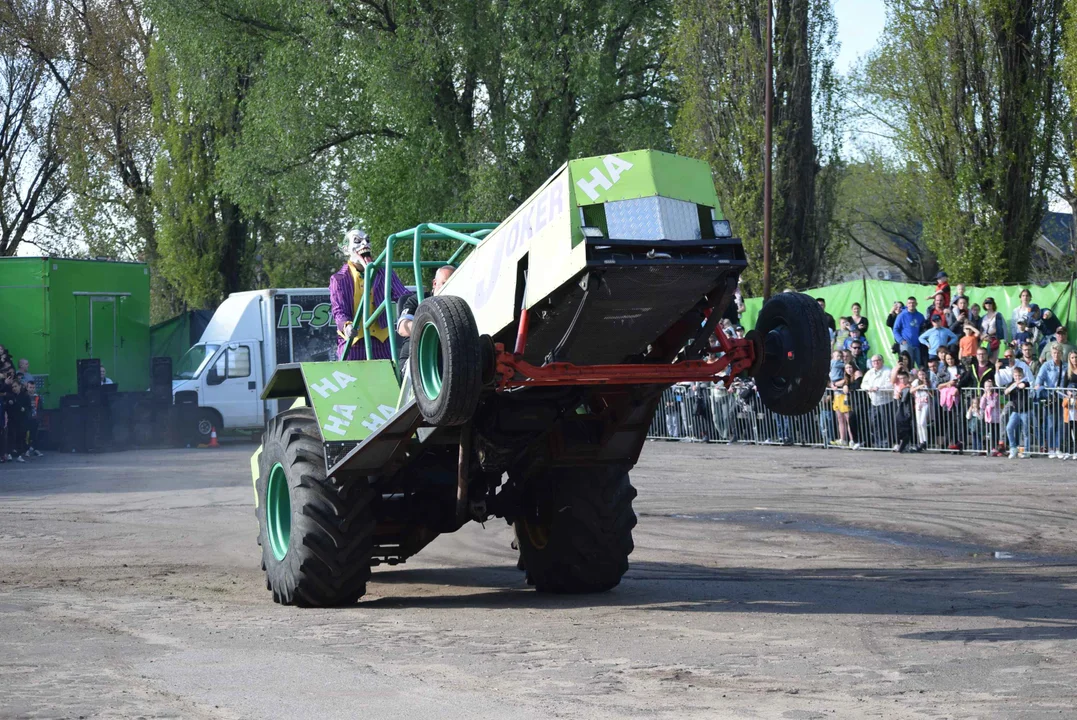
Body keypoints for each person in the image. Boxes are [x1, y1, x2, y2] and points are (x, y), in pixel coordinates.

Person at [331, 228, 408, 361]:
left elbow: (403, 296)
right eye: (357, 241)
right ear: (346, 249)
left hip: (382, 341)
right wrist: (347, 326)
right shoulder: (339, 278)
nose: (364, 244)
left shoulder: (384, 272)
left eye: (367, 240)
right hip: (354, 343)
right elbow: (338, 310)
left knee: (386, 377)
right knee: (353, 378)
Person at [396, 265, 455, 367]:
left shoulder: (459, 304)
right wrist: (434, 327)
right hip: (416, 356)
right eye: (444, 284)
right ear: (434, 283)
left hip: (450, 356)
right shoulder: (417, 299)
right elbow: (402, 328)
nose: (448, 288)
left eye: (453, 285)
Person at [1035, 344, 1066, 459]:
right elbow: (1039, 379)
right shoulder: (1046, 366)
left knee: (1061, 424)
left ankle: (1058, 448)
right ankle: (1051, 448)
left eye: (1058, 352)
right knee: (1051, 424)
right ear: (1051, 354)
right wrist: (1038, 386)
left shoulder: (1066, 366)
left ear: (1062, 353)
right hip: (1050, 398)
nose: (1056, 355)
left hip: (1063, 398)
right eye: (1054, 353)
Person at [861, 354, 894, 449]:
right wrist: (869, 388)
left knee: (886, 423)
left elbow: (891, 385)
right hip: (874, 402)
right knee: (875, 423)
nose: (876, 362)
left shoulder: (888, 371)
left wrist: (879, 388)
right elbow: (863, 384)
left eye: (878, 360)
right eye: (874, 361)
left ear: (882, 361)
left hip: (885, 402)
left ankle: (888, 443)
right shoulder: (870, 372)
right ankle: (879, 443)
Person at [1005, 366, 1031, 458]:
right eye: (1015, 376)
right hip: (1016, 410)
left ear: (1022, 375)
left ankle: (1027, 451)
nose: (1017, 378)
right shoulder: (1011, 384)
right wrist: (1013, 385)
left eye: (1019, 376)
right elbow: (1006, 392)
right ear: (1013, 376)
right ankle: (1013, 448)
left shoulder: (1025, 382)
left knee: (1026, 431)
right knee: (1009, 428)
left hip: (1025, 410)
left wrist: (1017, 383)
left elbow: (1022, 386)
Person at [892, 296, 926, 368]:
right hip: (906, 344)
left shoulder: (920, 316)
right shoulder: (901, 315)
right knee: (907, 365)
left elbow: (923, 329)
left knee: (920, 365)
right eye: (909, 303)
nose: (911, 304)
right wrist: (901, 340)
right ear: (907, 304)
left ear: (916, 304)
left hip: (917, 345)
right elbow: (895, 329)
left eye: (913, 303)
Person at [912, 367, 934, 451]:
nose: (922, 376)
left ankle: (925, 441)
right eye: (920, 374)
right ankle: (921, 441)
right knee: (918, 424)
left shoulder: (928, 382)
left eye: (923, 374)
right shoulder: (916, 382)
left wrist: (926, 386)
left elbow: (932, 394)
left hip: (926, 403)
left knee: (922, 423)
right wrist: (920, 386)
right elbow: (911, 390)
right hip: (918, 403)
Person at [892, 370, 915, 452]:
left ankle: (911, 443)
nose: (902, 380)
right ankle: (901, 442)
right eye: (900, 378)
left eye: (904, 378)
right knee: (900, 425)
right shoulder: (898, 386)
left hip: (908, 407)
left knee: (909, 426)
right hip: (901, 407)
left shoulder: (910, 386)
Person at [832, 363, 853, 447]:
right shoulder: (837, 372)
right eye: (847, 367)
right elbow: (832, 382)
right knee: (840, 419)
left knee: (849, 420)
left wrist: (838, 384)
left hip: (846, 398)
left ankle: (852, 440)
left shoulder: (852, 375)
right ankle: (842, 439)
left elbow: (846, 382)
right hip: (837, 396)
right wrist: (833, 384)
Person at [980, 380, 1002, 456]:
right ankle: (992, 448)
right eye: (986, 386)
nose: (988, 388)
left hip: (996, 418)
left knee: (996, 434)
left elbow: (993, 404)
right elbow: (981, 406)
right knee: (990, 434)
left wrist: (988, 397)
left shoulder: (995, 395)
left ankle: (997, 449)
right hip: (988, 419)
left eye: (990, 386)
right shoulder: (984, 396)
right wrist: (984, 397)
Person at [23, 380, 42, 457]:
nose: (32, 389)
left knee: (35, 434)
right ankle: (26, 450)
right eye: (30, 387)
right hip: (27, 418)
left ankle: (35, 449)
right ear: (27, 388)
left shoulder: (37, 397)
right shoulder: (24, 396)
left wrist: (39, 417)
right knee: (27, 435)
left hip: (35, 418)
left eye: (33, 387)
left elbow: (40, 408)